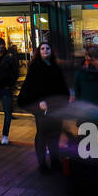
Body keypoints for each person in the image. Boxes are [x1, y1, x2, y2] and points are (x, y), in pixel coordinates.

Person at [17, 41, 69, 172]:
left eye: (48, 48)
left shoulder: (55, 66)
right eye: (43, 48)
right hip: (42, 107)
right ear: (38, 52)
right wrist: (39, 101)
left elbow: (61, 85)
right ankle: (42, 164)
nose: (45, 50)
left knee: (55, 134)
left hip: (55, 106)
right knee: (42, 134)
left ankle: (55, 160)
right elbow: (31, 87)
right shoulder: (35, 67)